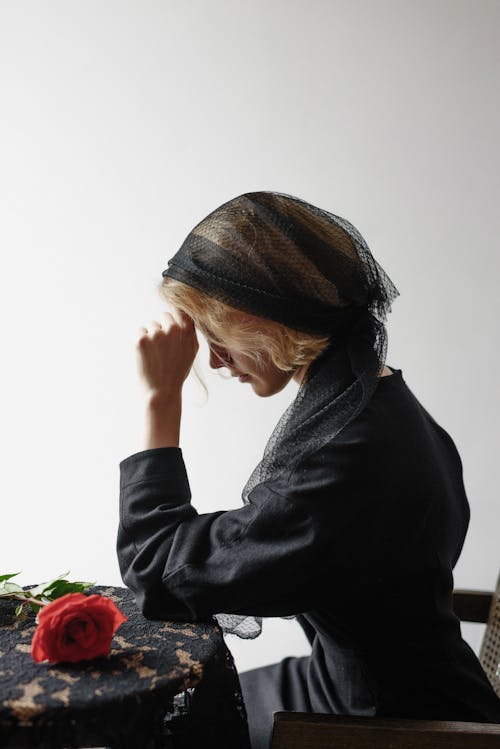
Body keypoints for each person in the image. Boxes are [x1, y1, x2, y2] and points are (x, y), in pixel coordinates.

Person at [117, 191, 500, 749]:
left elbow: (157, 569)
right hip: (345, 686)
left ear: (274, 320)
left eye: (219, 334)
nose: (215, 361)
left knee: (152, 726)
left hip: (395, 726)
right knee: (169, 706)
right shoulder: (378, 397)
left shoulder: (349, 455)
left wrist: (160, 402)